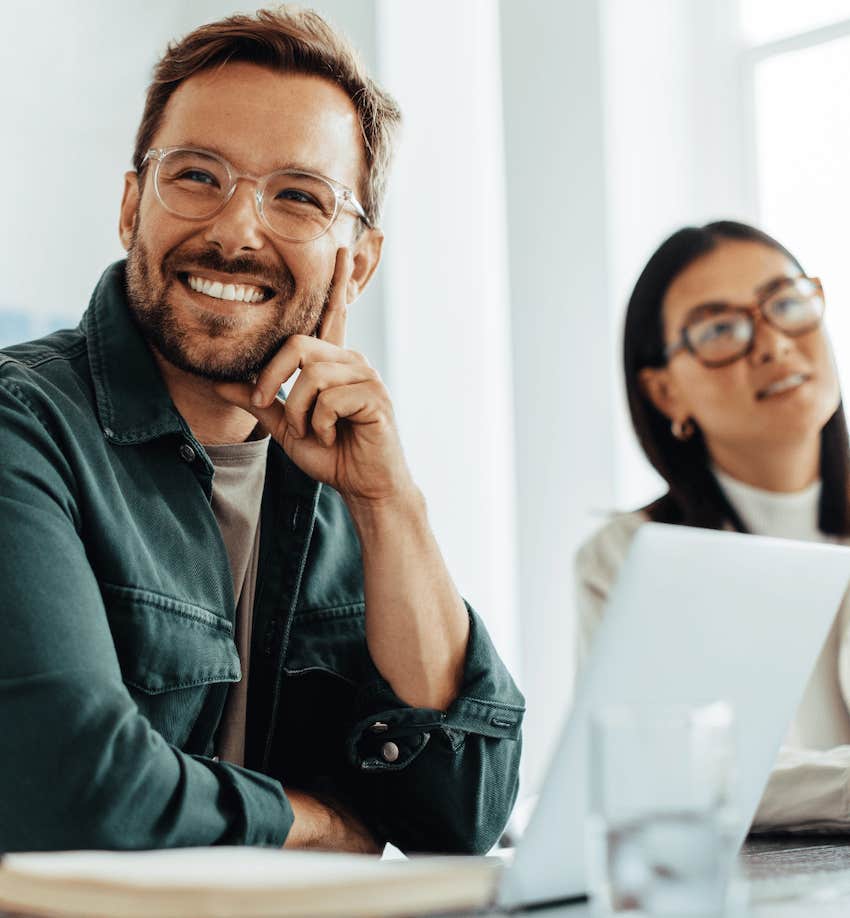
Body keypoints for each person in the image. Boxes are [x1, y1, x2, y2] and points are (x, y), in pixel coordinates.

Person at [0, 7, 524, 854]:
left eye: (299, 198)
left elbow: (465, 812)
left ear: (356, 263)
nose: (236, 231)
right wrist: (316, 823)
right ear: (133, 206)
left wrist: (389, 502)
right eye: (198, 176)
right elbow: (69, 787)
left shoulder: (342, 476)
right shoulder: (21, 427)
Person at [576, 220, 850, 830]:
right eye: (721, 328)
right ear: (666, 392)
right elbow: (664, 776)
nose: (774, 344)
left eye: (785, 303)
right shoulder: (627, 557)